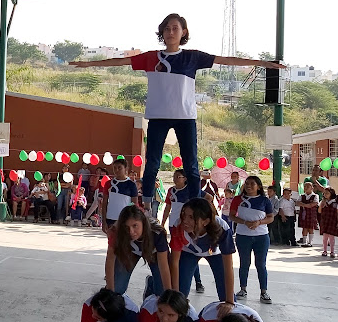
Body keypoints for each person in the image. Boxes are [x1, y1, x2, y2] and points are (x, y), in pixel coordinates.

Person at [70, 13, 284, 212]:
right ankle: (147, 205)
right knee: (152, 161)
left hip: (185, 116)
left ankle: (194, 204)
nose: (170, 32)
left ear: (183, 32)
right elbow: (120, 61)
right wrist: (88, 64)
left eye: (175, 28)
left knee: (190, 162)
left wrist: (262, 64)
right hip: (157, 116)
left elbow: (226, 60)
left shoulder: (192, 57)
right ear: (162, 33)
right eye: (167, 28)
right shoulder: (151, 57)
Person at [170, 198, 236, 306]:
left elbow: (228, 268)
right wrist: (176, 299)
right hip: (188, 253)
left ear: (206, 221)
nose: (185, 221)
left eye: (191, 217)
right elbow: (174, 263)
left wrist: (230, 303)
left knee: (225, 292)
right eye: (184, 215)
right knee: (180, 292)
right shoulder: (178, 226)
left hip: (215, 254)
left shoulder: (222, 228)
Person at [106, 205, 171, 298]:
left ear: (143, 223)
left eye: (135, 226)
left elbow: (163, 265)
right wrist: (110, 292)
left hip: (154, 254)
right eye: (126, 227)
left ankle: (152, 284)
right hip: (130, 252)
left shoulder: (157, 233)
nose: (131, 231)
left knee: (162, 293)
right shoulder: (116, 232)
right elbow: (110, 260)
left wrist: (169, 295)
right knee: (117, 289)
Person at [230, 176, 274, 304]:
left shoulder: (264, 200)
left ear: (259, 186)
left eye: (252, 184)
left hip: (261, 236)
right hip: (243, 236)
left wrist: (259, 222)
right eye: (247, 183)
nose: (248, 186)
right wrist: (244, 222)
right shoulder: (238, 199)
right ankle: (243, 289)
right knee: (244, 263)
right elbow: (232, 216)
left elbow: (270, 217)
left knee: (261, 264)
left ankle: (263, 292)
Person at [102, 158, 139, 228]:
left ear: (125, 168)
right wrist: (104, 221)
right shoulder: (108, 183)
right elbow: (104, 203)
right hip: (111, 219)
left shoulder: (131, 184)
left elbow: (134, 205)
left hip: (125, 220)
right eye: (115, 168)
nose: (117, 170)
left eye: (119, 168)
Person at [296, 182, 319, 248]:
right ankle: (304, 241)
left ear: (312, 188)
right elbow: (298, 202)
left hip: (311, 214)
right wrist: (306, 205)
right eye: (305, 187)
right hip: (303, 214)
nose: (306, 188)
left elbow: (314, 203)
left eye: (308, 187)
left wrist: (304, 205)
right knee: (304, 228)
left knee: (311, 228)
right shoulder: (302, 195)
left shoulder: (315, 196)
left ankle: (310, 242)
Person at [318, 188, 338, 257]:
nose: (325, 194)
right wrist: (322, 204)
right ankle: (324, 251)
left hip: (332, 221)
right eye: (324, 193)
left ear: (331, 194)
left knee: (331, 237)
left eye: (327, 193)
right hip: (325, 221)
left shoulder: (335, 202)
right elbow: (319, 211)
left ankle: (332, 251)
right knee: (325, 237)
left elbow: (337, 212)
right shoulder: (323, 202)